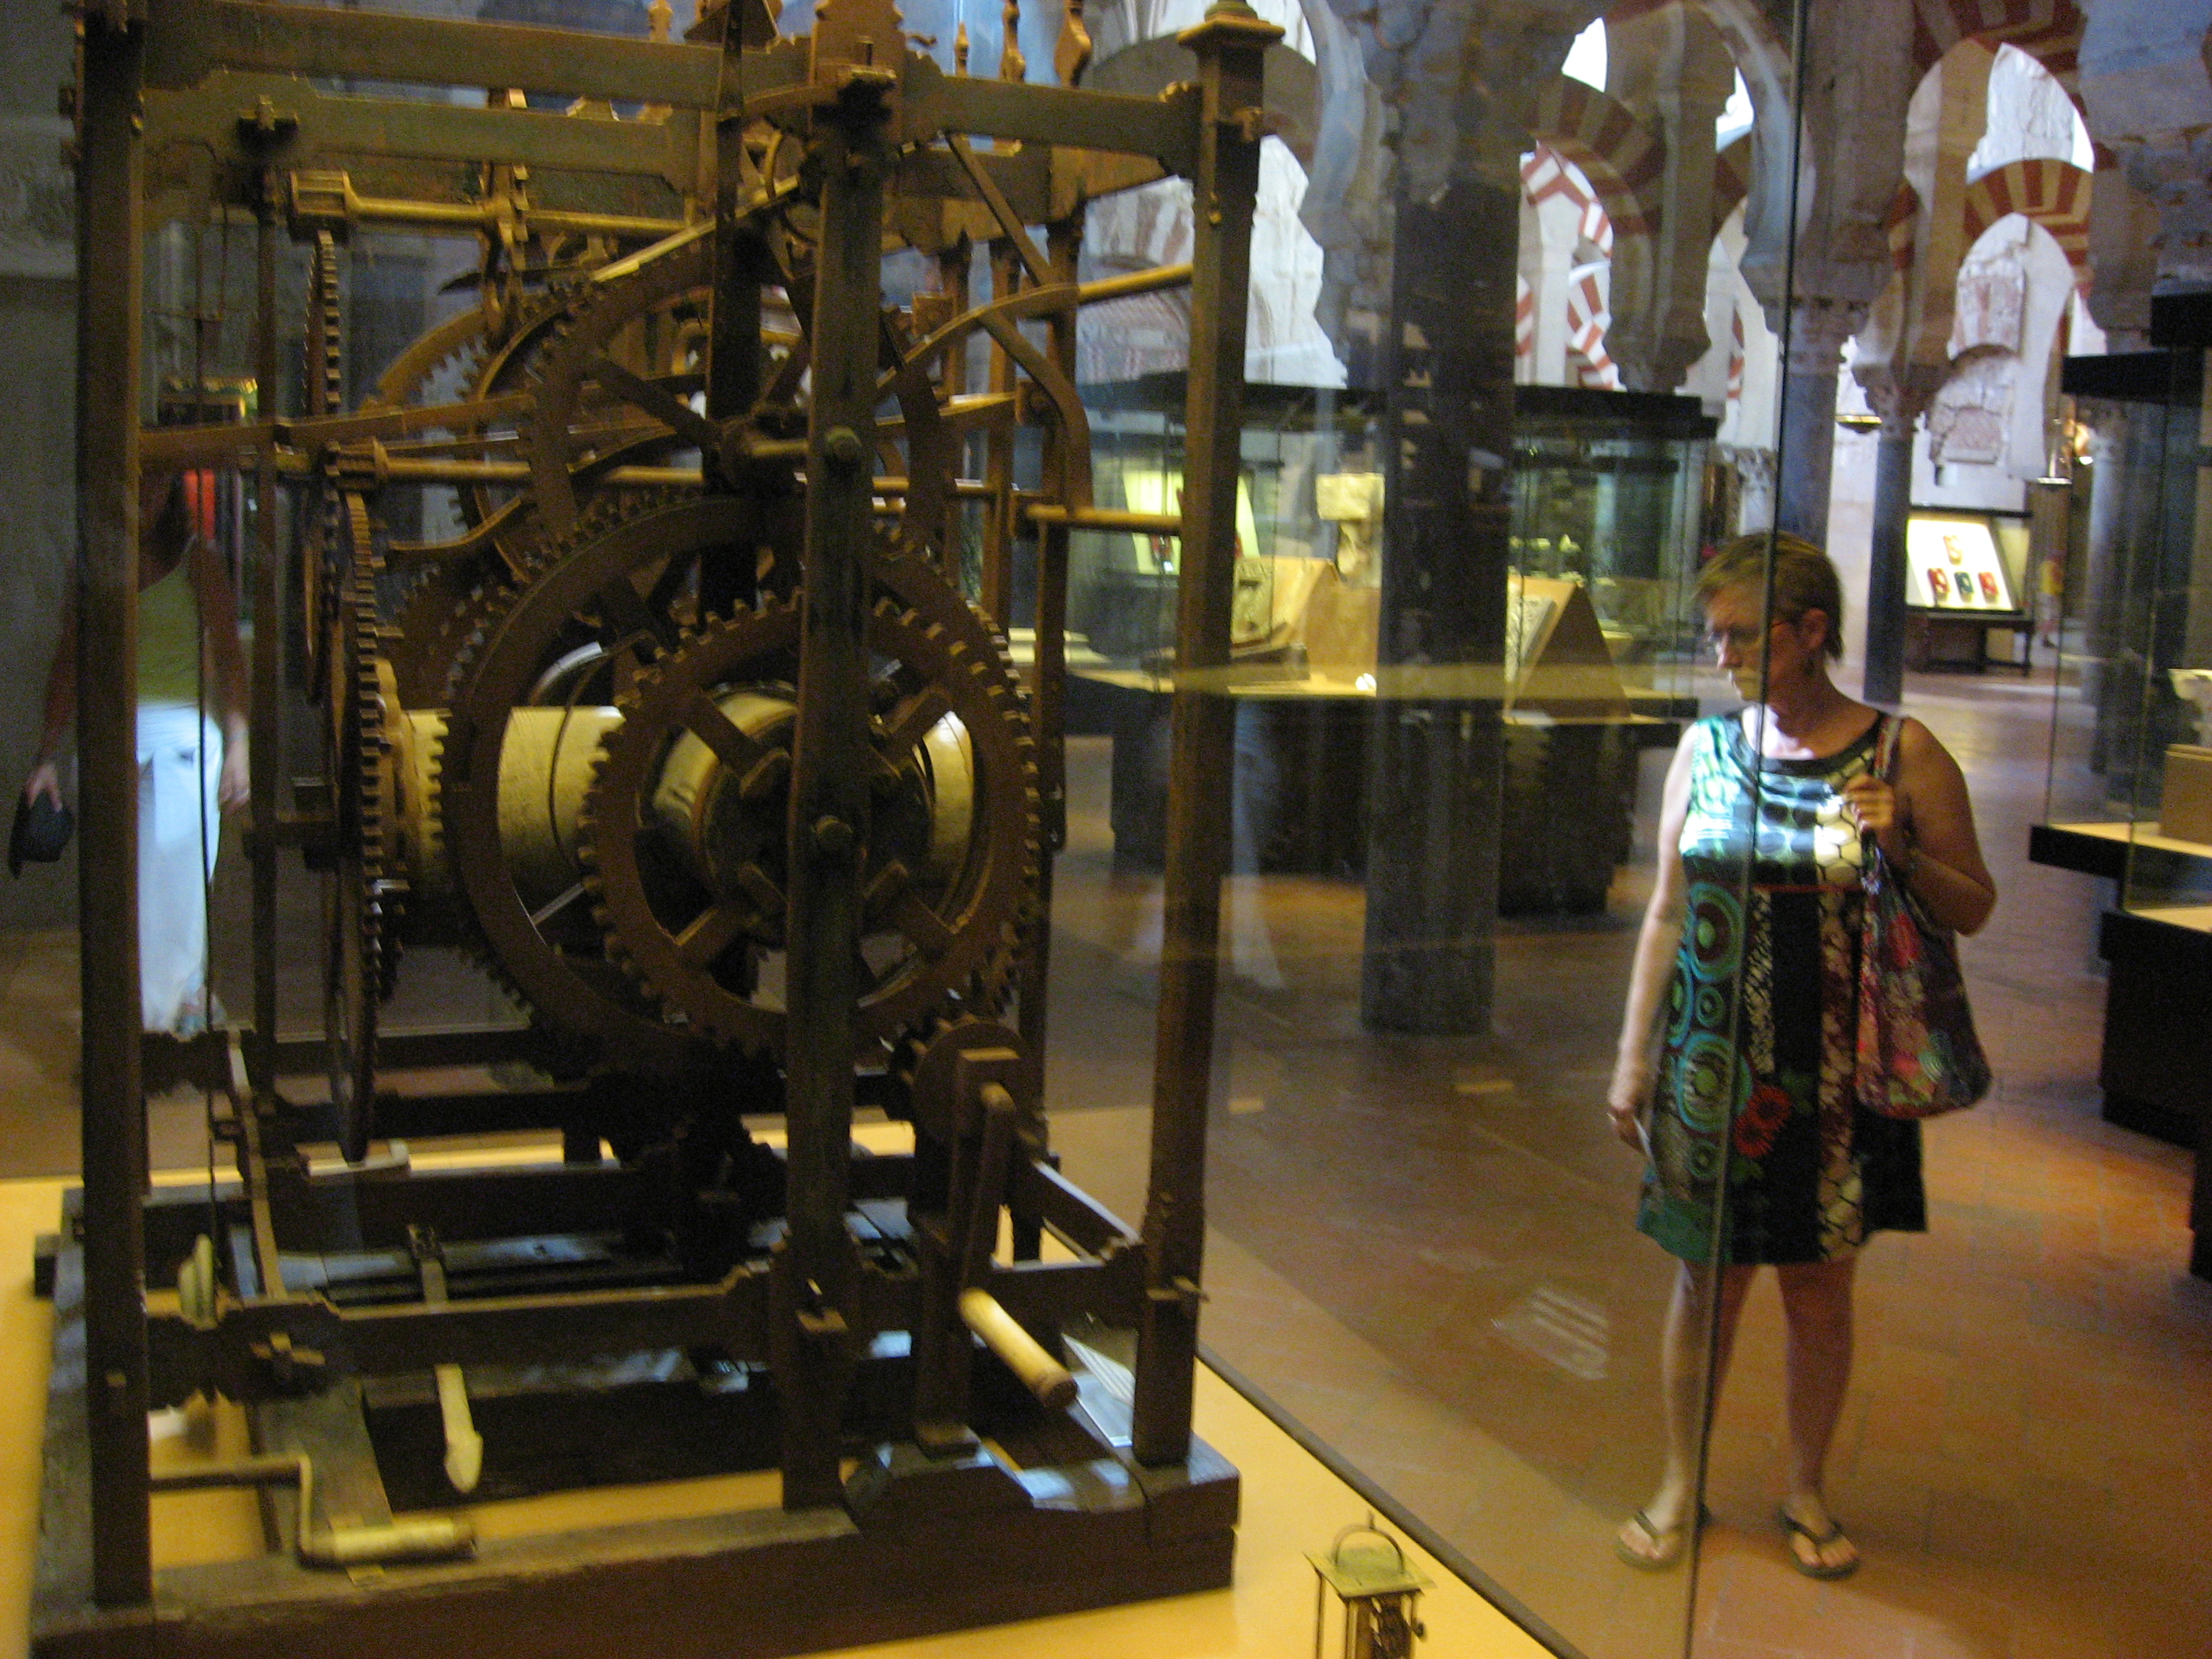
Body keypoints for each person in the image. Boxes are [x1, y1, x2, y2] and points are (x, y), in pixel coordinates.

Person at [1606, 533, 1996, 1580]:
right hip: (1710, 1062)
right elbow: (1667, 911)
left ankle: (1805, 1487)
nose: (1721, 654)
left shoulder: (1900, 754)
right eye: (1715, 635)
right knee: (1706, 1282)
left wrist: (1901, 847)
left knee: (1818, 1291)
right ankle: (1680, 1480)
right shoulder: (1706, 747)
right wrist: (1633, 1058)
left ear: (1810, 632)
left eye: (1742, 635)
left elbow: (1973, 904)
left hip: (1834, 1071)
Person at [21, 468, 250, 1033]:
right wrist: (46, 755)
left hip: (183, 740)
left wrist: (240, 743)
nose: (145, 494)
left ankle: (176, 1005)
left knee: (179, 883)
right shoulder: (94, 565)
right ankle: (145, 1014)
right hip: (112, 740)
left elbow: (229, 659)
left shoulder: (198, 561)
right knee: (120, 889)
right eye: (135, 482)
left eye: (156, 483)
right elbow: (69, 661)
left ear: (170, 492)